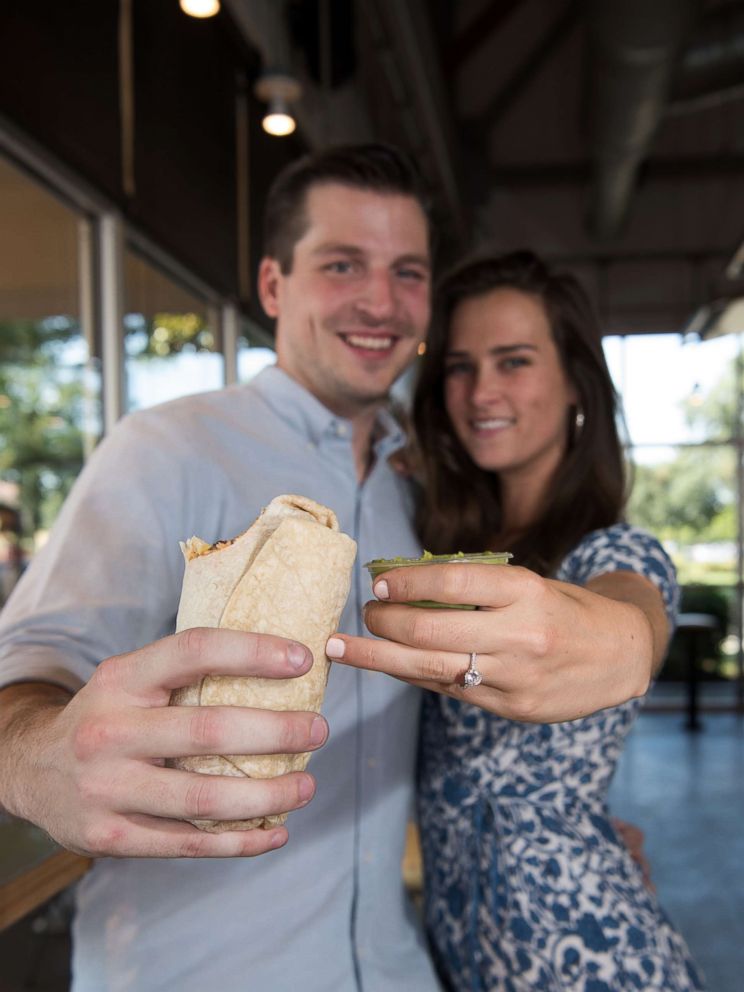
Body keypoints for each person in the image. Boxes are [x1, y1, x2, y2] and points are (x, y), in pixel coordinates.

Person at [0, 144, 662, 992]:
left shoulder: (422, 493)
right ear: (275, 287)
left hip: (396, 966)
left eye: (408, 272)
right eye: (343, 264)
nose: (380, 302)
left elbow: (613, 594)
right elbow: (29, 666)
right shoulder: (165, 449)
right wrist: (36, 760)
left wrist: (628, 653)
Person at [329, 252, 706, 990]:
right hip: (460, 952)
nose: (480, 392)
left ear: (575, 385)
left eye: (515, 361)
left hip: (587, 957)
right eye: (462, 366)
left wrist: (628, 643)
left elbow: (634, 611)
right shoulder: (438, 538)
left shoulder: (611, 550)